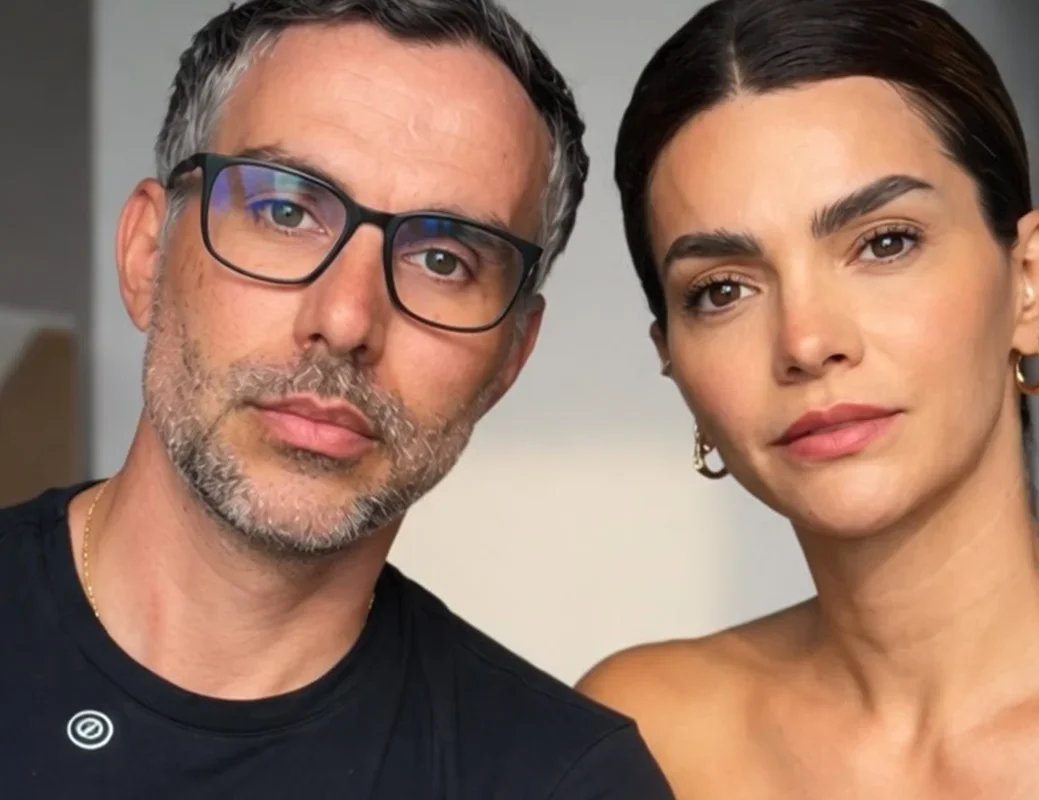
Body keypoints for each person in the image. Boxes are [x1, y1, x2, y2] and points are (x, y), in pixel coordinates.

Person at [0, 1, 674, 797]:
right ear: (148, 255)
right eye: (285, 212)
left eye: (443, 260)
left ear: (510, 359)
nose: (347, 319)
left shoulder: (564, 781)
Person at [578, 0, 1039, 797]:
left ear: (1029, 281)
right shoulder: (641, 735)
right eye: (723, 289)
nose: (807, 342)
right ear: (670, 356)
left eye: (884, 243)